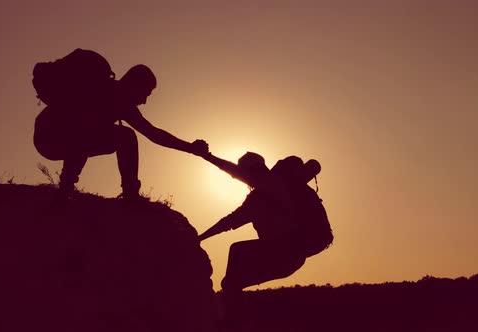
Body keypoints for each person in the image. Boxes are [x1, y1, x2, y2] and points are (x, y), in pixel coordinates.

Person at [33, 60, 209, 201]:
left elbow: (153, 134)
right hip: (48, 135)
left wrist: (190, 148)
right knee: (88, 128)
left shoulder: (124, 105)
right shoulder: (97, 88)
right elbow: (78, 130)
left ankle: (130, 194)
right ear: (134, 84)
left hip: (66, 137)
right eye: (146, 93)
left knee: (125, 136)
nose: (145, 101)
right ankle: (65, 190)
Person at [199, 152, 333, 292]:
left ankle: (233, 311)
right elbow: (229, 222)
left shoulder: (270, 186)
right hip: (292, 258)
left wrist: (206, 155)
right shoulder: (273, 189)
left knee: (236, 254)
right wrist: (201, 237)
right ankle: (238, 310)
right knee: (231, 283)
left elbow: (228, 222)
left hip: (282, 253)